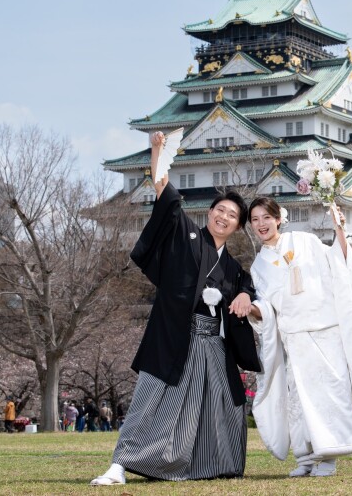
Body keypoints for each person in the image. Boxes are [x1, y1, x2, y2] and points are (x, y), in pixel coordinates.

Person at [90, 131, 260, 486]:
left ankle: (211, 465)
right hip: (175, 335)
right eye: (220, 211)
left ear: (238, 226)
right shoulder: (187, 235)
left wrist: (246, 297)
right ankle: (119, 465)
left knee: (219, 405)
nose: (224, 218)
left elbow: (248, 291)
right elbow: (164, 189)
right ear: (210, 213)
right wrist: (157, 151)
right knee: (151, 399)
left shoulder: (235, 268)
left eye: (232, 216)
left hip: (214, 345)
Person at [247, 197, 352, 477]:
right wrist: (254, 310)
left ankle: (328, 457)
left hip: (325, 330)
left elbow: (337, 263)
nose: (261, 224)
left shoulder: (304, 240)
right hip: (294, 337)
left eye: (266, 217)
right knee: (299, 400)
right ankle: (305, 458)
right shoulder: (258, 267)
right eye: (255, 220)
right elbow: (267, 306)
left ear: (278, 218)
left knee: (329, 395)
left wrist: (340, 229)